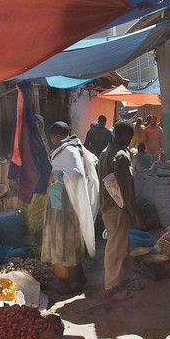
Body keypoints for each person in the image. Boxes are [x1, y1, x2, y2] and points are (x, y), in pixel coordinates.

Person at [41, 122, 99, 293]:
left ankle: (72, 282)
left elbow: (77, 175)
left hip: (65, 207)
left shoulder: (70, 150)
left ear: (56, 136)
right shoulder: (67, 148)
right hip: (58, 205)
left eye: (52, 136)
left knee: (66, 244)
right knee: (64, 244)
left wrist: (56, 177)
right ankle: (75, 279)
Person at [99, 120, 143, 298]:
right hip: (117, 207)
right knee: (116, 247)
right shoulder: (121, 156)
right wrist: (134, 211)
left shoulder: (105, 152)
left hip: (108, 205)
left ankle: (121, 278)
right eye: (130, 137)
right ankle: (112, 285)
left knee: (120, 244)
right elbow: (126, 187)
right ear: (126, 136)